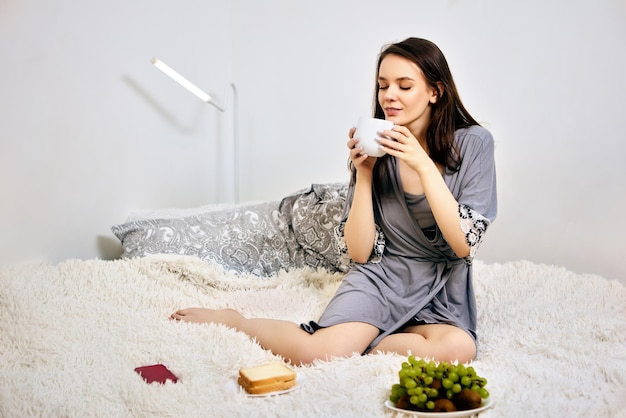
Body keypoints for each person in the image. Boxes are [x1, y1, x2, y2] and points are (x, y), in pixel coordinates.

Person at [170, 37, 497, 365]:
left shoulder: (474, 144)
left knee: (458, 350)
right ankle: (236, 320)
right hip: (384, 277)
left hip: (443, 283)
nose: (389, 96)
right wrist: (365, 173)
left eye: (404, 86)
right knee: (315, 353)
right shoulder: (375, 146)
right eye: (383, 86)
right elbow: (359, 252)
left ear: (434, 92)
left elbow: (464, 245)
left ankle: (365, 343)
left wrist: (423, 165)